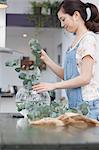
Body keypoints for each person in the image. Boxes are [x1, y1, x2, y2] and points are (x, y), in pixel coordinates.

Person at [33, 0, 99, 120]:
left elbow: (85, 78)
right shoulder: (74, 42)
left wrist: (54, 86)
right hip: (75, 105)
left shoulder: (88, 40)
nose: (62, 25)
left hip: (87, 105)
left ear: (76, 15)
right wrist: (47, 60)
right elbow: (68, 76)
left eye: (63, 19)